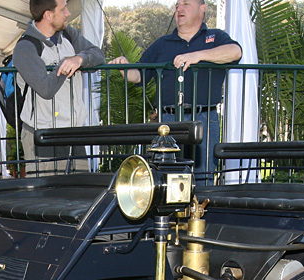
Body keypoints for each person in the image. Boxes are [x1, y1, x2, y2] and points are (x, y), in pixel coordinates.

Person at [110, 0, 241, 182]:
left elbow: (235, 52)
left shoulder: (215, 37)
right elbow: (139, 75)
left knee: (203, 176)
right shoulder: (162, 43)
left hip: (204, 118)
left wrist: (198, 56)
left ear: (202, 8)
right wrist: (123, 68)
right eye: (177, 5)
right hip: (167, 121)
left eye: (186, 4)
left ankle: (200, 210)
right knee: (166, 175)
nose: (179, 9)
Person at [13, 0, 105, 172]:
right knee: (48, 195)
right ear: (48, 15)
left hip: (74, 132)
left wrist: (80, 59)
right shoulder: (25, 47)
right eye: (63, 9)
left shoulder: (69, 35)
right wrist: (65, 66)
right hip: (42, 134)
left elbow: (98, 54)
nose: (68, 13)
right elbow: (45, 89)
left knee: (80, 193)